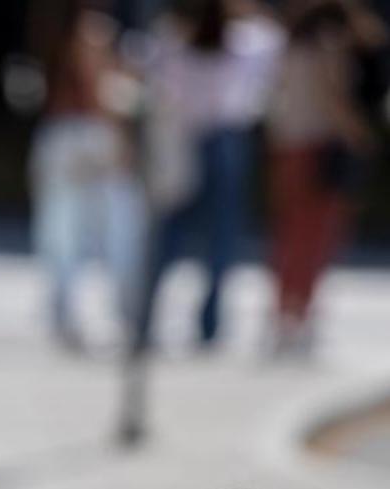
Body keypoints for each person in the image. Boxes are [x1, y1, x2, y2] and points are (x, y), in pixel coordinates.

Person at [135, 0, 284, 350]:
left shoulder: (173, 41)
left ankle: (144, 316)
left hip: (185, 138)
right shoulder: (246, 41)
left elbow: (146, 68)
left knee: (170, 235)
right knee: (221, 239)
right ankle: (209, 324)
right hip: (223, 143)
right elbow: (274, 44)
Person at [268, 0, 385, 353]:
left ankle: (285, 317)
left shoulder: (290, 40)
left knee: (291, 236)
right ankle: (299, 317)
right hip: (319, 148)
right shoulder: (328, 42)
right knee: (316, 238)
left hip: (290, 145)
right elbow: (332, 95)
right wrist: (360, 135)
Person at [29, 3, 144, 347]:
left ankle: (65, 316)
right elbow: (96, 91)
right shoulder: (91, 31)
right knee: (118, 230)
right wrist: (120, 140)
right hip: (88, 137)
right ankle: (124, 315)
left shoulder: (50, 25)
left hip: (58, 136)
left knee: (61, 233)